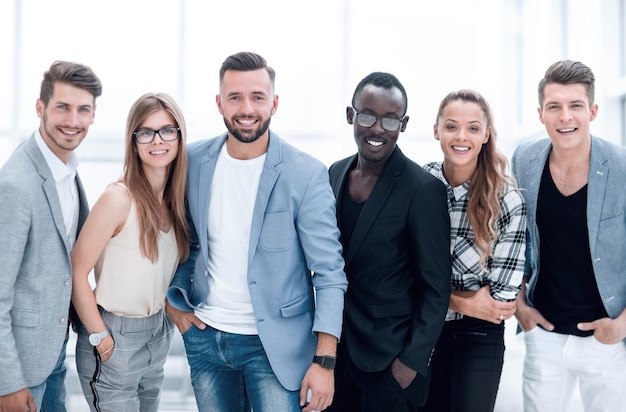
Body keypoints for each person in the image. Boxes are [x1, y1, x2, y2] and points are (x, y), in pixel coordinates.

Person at [166, 51, 348, 412]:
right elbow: (182, 241)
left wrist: (325, 362)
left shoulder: (306, 174)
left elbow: (328, 274)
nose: (246, 108)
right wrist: (174, 306)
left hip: (276, 348)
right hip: (207, 340)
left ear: (274, 103)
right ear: (219, 103)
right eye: (235, 97)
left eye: (257, 97)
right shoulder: (191, 162)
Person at [325, 72, 451, 412]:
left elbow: (436, 288)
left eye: (390, 119)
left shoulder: (422, 189)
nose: (377, 128)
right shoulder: (334, 174)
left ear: (404, 123)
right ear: (351, 115)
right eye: (367, 115)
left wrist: (409, 364)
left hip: (391, 364)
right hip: (338, 357)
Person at [512, 60, 626, 412]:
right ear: (540, 113)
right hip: (543, 332)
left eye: (575, 105)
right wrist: (519, 306)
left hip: (605, 338)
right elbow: (513, 234)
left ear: (592, 111)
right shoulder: (524, 159)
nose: (565, 117)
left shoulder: (622, 166)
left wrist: (620, 326)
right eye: (554, 107)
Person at [71, 92, 189, 411]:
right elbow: (76, 272)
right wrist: (100, 336)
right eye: (145, 132)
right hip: (114, 336)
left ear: (179, 136)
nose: (157, 141)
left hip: (156, 334)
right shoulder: (118, 198)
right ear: (133, 141)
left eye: (167, 130)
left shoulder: (175, 204)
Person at [0, 60, 102, 412]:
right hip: (21, 370)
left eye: (83, 110)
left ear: (92, 115)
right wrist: (8, 383)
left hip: (54, 354)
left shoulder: (66, 170)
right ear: (40, 107)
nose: (73, 121)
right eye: (62, 107)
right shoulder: (16, 185)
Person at [421, 89, 527, 412]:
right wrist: (461, 299)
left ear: (486, 134)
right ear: (436, 129)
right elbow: (397, 273)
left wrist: (432, 294)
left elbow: (499, 305)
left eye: (472, 128)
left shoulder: (507, 200)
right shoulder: (417, 185)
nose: (461, 137)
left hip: (478, 337)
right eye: (451, 126)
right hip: (422, 332)